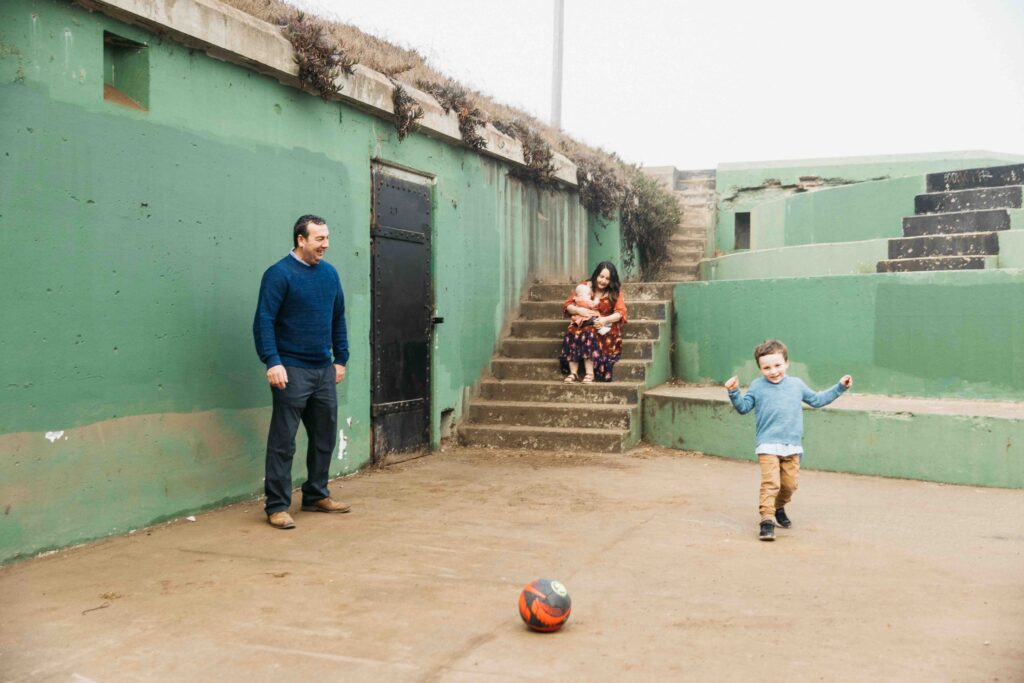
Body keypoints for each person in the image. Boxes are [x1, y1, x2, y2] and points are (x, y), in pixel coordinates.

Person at [253, 214, 351, 530]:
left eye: (327, 238)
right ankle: (278, 505)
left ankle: (315, 495)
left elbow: (338, 318)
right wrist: (273, 361)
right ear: (301, 239)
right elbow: (264, 320)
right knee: (284, 441)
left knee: (324, 435)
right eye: (319, 238)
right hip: (290, 369)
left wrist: (341, 359)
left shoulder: (330, 275)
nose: (326, 244)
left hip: (323, 369)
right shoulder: (279, 274)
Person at [725, 339, 852, 541]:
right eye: (766, 367)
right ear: (760, 368)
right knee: (771, 483)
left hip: (792, 446)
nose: (773, 371)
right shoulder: (758, 386)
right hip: (767, 444)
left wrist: (839, 387)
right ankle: (766, 521)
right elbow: (743, 407)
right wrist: (733, 392)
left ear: (787, 363)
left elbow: (817, 401)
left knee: (789, 486)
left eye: (777, 365)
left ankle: (778, 507)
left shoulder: (796, 385)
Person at [559, 261, 628, 383]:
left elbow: (620, 313)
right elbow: (567, 305)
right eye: (601, 276)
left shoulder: (615, 291)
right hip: (583, 322)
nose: (603, 281)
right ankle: (573, 373)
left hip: (604, 328)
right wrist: (578, 310)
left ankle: (590, 375)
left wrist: (604, 319)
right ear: (596, 274)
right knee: (572, 330)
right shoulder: (585, 286)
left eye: (607, 279)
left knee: (589, 331)